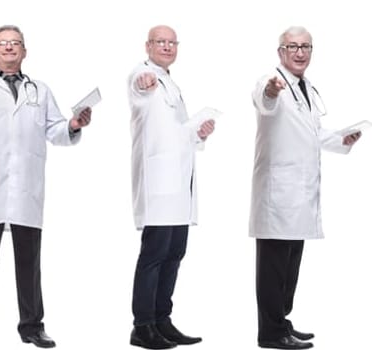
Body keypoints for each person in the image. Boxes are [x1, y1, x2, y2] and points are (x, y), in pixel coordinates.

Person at [0, 25, 91, 349]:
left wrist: (73, 124)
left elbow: (55, 131)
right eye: (3, 44)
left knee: (29, 263)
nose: (9, 48)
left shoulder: (39, 90)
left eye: (15, 44)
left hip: (26, 189)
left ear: (25, 52)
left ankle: (32, 328)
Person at [250, 26, 363, 350]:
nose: (300, 52)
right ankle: (270, 333)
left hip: (298, 194)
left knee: (289, 264)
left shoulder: (306, 87)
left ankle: (281, 322)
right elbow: (264, 101)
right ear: (280, 52)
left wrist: (342, 138)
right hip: (278, 193)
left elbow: (311, 133)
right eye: (292, 47)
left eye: (306, 47)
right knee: (273, 267)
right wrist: (272, 91)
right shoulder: (269, 81)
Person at [127, 24, 214, 350]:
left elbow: (177, 132)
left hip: (179, 184)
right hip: (159, 184)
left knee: (175, 252)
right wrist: (144, 83)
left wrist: (198, 132)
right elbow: (139, 88)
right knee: (154, 254)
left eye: (171, 42)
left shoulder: (172, 83)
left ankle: (163, 320)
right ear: (147, 45)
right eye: (160, 41)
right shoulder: (142, 74)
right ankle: (142, 326)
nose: (167, 46)